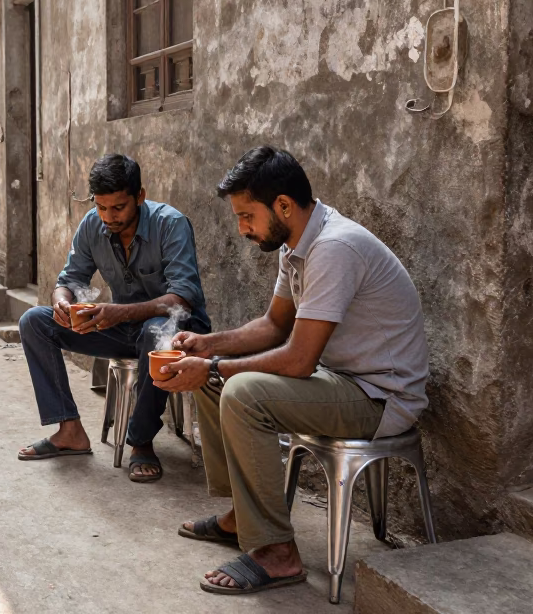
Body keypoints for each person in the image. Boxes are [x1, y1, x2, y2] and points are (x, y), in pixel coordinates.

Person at [154, 146, 429, 595]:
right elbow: (273, 325)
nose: (242, 229)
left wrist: (213, 366)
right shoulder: (296, 244)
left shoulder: (334, 247)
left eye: (247, 216)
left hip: (379, 398)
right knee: (214, 379)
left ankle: (277, 553)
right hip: (341, 383)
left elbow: (299, 358)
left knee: (241, 392)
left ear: (283, 205)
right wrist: (208, 346)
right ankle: (244, 518)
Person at [16, 153, 210, 482]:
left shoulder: (170, 223)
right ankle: (69, 430)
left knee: (154, 332)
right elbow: (69, 281)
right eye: (101, 207)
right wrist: (62, 302)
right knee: (34, 321)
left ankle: (142, 441)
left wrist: (117, 312)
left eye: (118, 208)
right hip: (122, 330)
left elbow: (183, 297)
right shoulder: (93, 224)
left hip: (177, 332)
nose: (109, 216)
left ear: (140, 196)